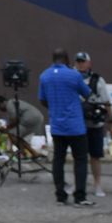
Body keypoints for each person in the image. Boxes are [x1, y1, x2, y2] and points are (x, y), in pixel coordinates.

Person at [39, 50, 93, 206]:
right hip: (76, 126)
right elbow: (87, 93)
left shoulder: (44, 76)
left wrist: (55, 107)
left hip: (57, 126)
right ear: (67, 59)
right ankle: (80, 197)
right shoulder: (74, 75)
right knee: (80, 160)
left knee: (58, 160)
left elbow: (42, 99)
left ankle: (60, 196)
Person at [76, 51, 112, 197]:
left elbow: (106, 102)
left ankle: (97, 184)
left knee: (95, 156)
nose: (80, 64)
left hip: (95, 124)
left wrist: (111, 121)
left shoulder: (98, 80)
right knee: (79, 157)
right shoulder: (71, 78)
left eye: (83, 61)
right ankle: (79, 184)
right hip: (78, 124)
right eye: (78, 61)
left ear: (89, 63)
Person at [0, 94, 46, 162]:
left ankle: (23, 154)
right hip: (36, 118)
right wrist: (8, 128)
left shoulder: (9, 104)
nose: (0, 109)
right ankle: (33, 153)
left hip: (30, 119)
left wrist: (6, 128)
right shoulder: (13, 103)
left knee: (12, 134)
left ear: (2, 103)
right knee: (17, 136)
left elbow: (15, 120)